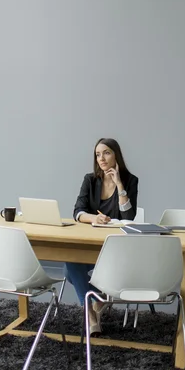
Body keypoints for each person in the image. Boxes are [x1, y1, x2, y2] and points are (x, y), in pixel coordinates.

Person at [65, 137, 139, 336]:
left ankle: (96, 303)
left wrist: (119, 186)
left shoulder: (130, 180)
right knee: (70, 264)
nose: (102, 158)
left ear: (116, 155)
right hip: (91, 245)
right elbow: (77, 212)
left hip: (116, 251)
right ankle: (91, 311)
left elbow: (129, 217)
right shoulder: (90, 180)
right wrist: (93, 219)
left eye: (106, 153)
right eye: (98, 154)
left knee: (70, 271)